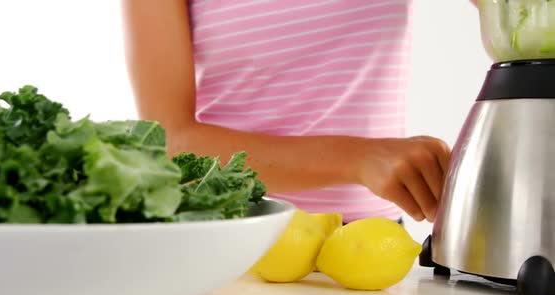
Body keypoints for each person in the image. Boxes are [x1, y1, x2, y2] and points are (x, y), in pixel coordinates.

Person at [121, 1, 476, 224]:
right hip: (229, 244)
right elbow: (171, 143)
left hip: (367, 248)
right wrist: (355, 158)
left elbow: (520, 19)